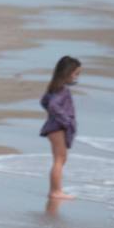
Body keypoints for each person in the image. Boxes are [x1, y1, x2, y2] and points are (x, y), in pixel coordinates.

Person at [40, 56, 82, 201]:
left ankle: (56, 190)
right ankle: (56, 191)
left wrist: (56, 117)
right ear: (67, 72)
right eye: (75, 73)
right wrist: (66, 121)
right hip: (58, 128)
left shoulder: (54, 87)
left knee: (60, 159)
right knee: (59, 159)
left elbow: (44, 101)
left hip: (54, 126)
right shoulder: (61, 90)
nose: (77, 77)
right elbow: (52, 106)